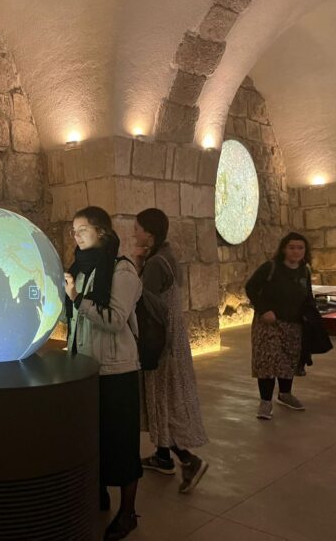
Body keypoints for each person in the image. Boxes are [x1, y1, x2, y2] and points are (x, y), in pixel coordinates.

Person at [64, 206, 142, 541]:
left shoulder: (122, 271)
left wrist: (78, 298)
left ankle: (128, 512)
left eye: (82, 230)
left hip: (115, 369)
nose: (76, 236)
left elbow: (113, 320)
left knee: (121, 442)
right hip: (86, 367)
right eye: (74, 231)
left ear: (103, 233)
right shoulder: (79, 269)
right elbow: (75, 320)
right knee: (92, 437)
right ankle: (98, 495)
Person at [134, 208, 209, 494]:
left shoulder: (155, 264)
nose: (134, 233)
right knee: (160, 397)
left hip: (160, 341)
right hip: (172, 339)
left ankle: (187, 459)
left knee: (163, 399)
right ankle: (163, 456)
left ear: (149, 234)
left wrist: (138, 269)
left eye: (138, 228)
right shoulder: (165, 255)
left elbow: (145, 302)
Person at [245, 232, 313, 420]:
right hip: (269, 323)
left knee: (288, 359)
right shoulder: (271, 267)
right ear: (284, 248)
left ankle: (285, 394)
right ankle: (265, 402)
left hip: (293, 323)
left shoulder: (304, 270)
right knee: (267, 360)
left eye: (300, 247)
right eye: (292, 247)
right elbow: (250, 287)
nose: (296, 251)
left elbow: (308, 294)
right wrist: (264, 309)